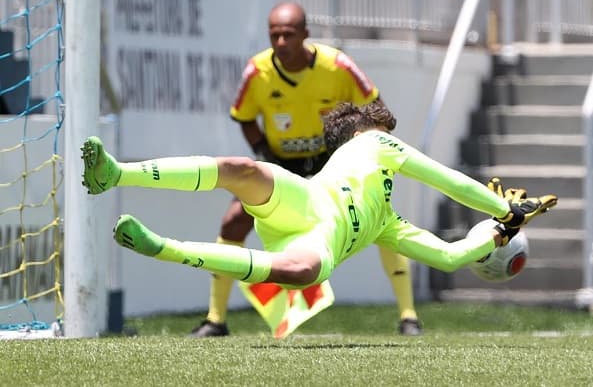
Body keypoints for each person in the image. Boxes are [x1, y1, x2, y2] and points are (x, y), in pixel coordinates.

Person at [81, 101, 558, 335]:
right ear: (369, 130)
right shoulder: (375, 141)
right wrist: (503, 211)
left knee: (303, 271)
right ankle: (115, 173)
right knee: (242, 170)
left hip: (315, 239)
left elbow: (452, 257)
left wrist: (495, 235)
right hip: (305, 201)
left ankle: (161, 246)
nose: (395, 137)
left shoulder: (387, 223)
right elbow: (446, 179)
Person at [187, 1, 422, 337]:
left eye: (289, 34)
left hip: (333, 163)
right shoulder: (258, 72)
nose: (281, 42)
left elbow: (377, 109)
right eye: (275, 35)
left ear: (305, 35)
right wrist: (264, 155)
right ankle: (215, 319)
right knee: (234, 221)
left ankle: (408, 316)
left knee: (381, 218)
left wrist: (359, 148)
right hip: (283, 165)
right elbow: (244, 118)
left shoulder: (338, 66)